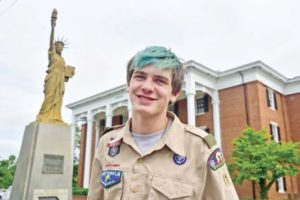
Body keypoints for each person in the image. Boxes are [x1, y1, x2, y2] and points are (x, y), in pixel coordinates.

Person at [88, 46, 239, 199]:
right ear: (129, 85)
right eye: (140, 77)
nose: (147, 87)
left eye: (159, 81)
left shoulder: (200, 148)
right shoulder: (107, 143)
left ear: (174, 93)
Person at [36, 9, 74, 124]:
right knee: (49, 97)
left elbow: (64, 75)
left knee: (58, 99)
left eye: (61, 46)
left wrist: (68, 74)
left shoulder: (62, 59)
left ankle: (55, 116)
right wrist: (53, 25)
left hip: (60, 81)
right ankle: (43, 115)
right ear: (54, 46)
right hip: (52, 78)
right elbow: (50, 41)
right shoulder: (52, 54)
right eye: (58, 45)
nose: (60, 47)